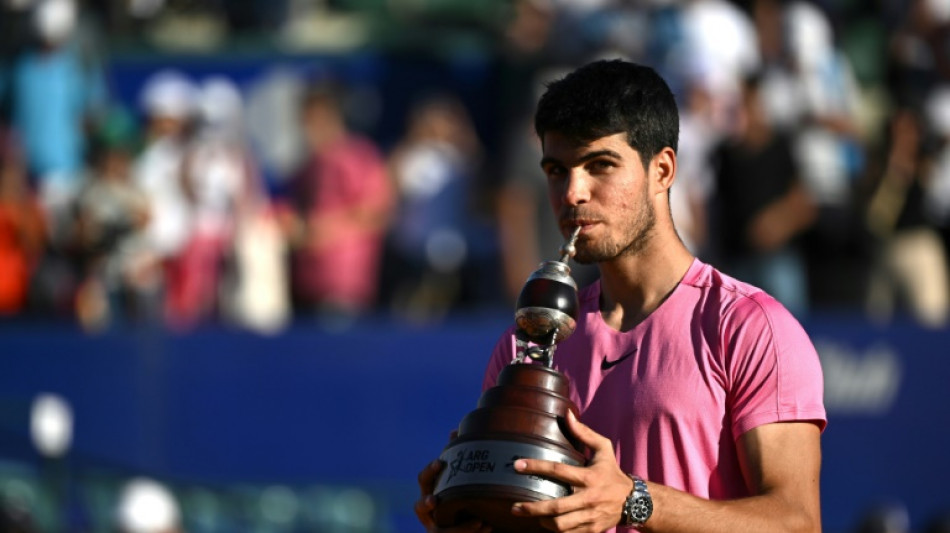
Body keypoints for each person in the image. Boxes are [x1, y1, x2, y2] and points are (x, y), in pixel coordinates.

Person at [415, 59, 826, 533]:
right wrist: (469, 513)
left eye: (600, 165)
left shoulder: (750, 327)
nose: (573, 192)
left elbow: (797, 522)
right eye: (556, 170)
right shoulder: (524, 345)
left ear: (663, 170)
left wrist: (635, 500)